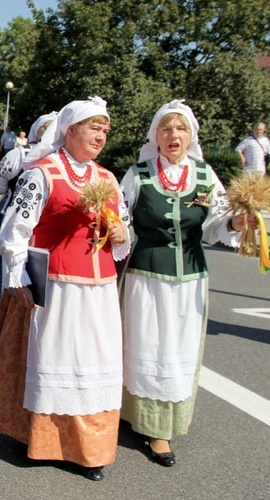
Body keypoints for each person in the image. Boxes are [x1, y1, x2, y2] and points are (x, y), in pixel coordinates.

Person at [0, 97, 129, 482]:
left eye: (105, 131)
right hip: (59, 286)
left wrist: (124, 236)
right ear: (70, 130)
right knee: (54, 358)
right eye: (94, 128)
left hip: (99, 290)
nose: (101, 136)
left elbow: (122, 233)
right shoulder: (42, 174)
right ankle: (41, 439)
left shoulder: (107, 179)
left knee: (93, 363)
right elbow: (15, 231)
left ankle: (89, 448)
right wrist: (19, 278)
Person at [119, 100, 254, 467]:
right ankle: (136, 417)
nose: (173, 135)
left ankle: (162, 427)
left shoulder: (205, 175)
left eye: (180, 129)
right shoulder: (139, 173)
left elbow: (216, 224)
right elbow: (117, 217)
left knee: (175, 351)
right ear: (155, 137)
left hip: (190, 280)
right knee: (144, 344)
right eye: (166, 129)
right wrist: (116, 229)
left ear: (190, 134)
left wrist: (236, 225)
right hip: (145, 277)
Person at [0, 111, 57, 321]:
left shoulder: (61, 157)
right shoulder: (21, 153)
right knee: (5, 261)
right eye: (46, 128)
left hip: (46, 218)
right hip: (15, 212)